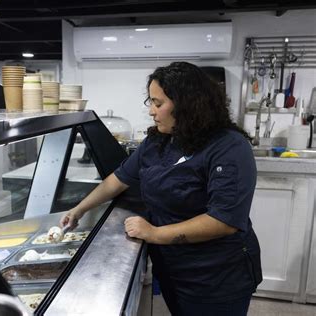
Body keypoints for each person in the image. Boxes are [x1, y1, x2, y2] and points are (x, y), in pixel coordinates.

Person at [60, 62, 262, 315]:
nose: (152, 112)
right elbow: (119, 178)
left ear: (188, 104)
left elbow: (223, 220)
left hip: (216, 277)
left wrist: (154, 234)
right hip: (173, 268)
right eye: (151, 103)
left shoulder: (229, 147)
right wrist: (79, 208)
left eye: (158, 103)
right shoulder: (159, 140)